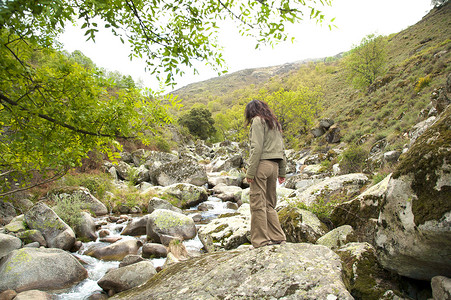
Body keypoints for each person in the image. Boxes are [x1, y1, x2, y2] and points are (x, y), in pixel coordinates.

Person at [244, 99, 287, 248]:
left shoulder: (257, 121)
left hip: (261, 166)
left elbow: (256, 148)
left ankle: (260, 241)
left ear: (251, 111)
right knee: (270, 203)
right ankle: (278, 237)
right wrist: (282, 171)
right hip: (274, 166)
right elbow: (282, 149)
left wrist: (250, 172)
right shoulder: (274, 123)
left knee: (257, 204)